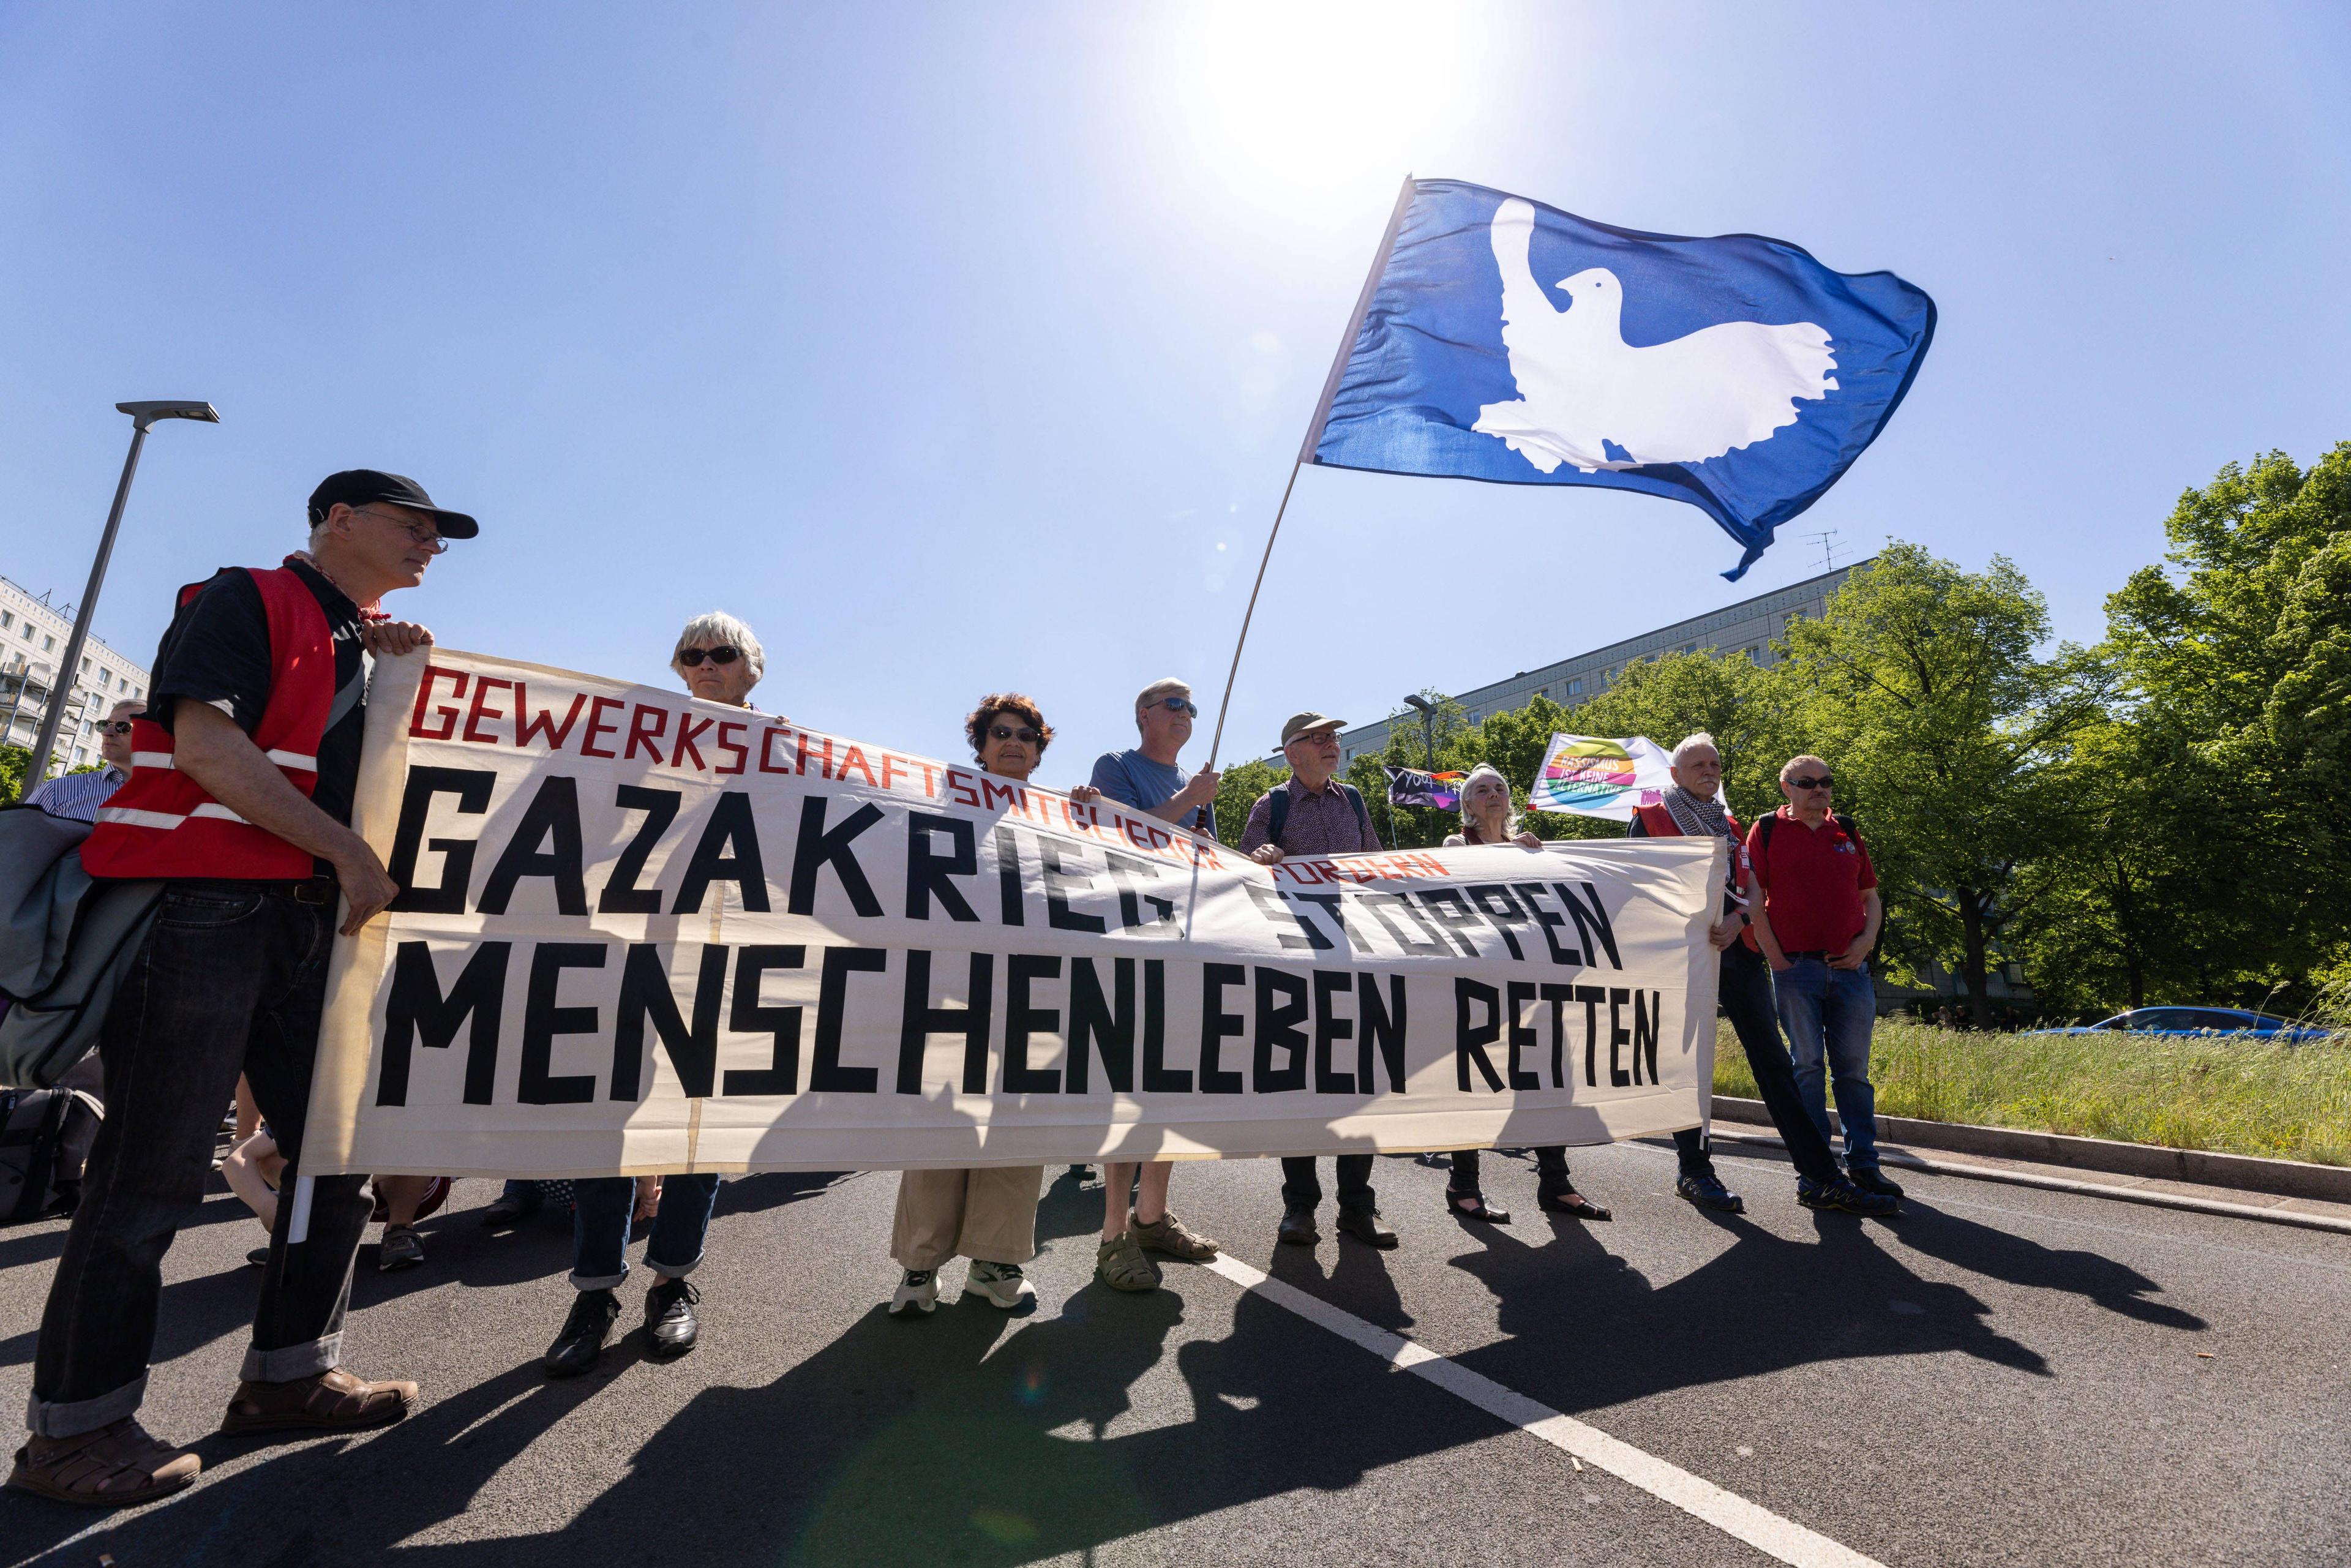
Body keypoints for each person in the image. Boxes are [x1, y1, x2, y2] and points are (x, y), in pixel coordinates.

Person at [9, 470, 468, 1508]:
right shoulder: (242, 597)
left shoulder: (369, 639)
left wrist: (395, 678)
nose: (431, 545)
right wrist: (350, 854)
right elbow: (211, 749)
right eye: (415, 526)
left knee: (340, 1154)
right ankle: (74, 1435)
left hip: (309, 925)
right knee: (149, 1175)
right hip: (202, 914)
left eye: (440, 536)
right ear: (338, 520)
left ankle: (290, 1375)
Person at [542, 612, 768, 1376]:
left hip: (726, 966)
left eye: (721, 652)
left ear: (751, 670)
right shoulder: (634, 740)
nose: (704, 663)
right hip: (630, 956)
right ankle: (595, 1291)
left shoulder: (785, 756)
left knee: (696, 1132)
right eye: (690, 654)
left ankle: (672, 1280)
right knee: (609, 1126)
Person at [889, 694, 1106, 1313]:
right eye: (999, 732)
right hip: (952, 991)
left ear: (1040, 750)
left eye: (1027, 735)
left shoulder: (1063, 816)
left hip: (1036, 996)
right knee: (941, 1127)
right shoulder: (941, 800)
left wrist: (1096, 822)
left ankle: (994, 1261)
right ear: (980, 744)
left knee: (1016, 1131)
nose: (1013, 741)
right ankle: (918, 1268)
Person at [1629, 736, 1897, 1218]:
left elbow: (1749, 888)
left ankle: (1820, 1178)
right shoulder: (1649, 819)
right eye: (1697, 765)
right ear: (1675, 775)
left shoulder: (1729, 825)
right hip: (1678, 960)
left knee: (1776, 1063)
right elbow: (1633, 891)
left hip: (1735, 953)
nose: (1709, 771)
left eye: (1714, 763)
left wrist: (1738, 921)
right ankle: (1695, 1170)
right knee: (1687, 1066)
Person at [1239, 711, 1399, 1250]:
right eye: (1320, 738)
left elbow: (1378, 866)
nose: (1333, 744)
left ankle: (1358, 1207)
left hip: (1357, 960)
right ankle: (1299, 1206)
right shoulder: (1273, 805)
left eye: (1334, 736)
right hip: (1299, 967)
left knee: (1361, 1085)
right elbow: (1242, 872)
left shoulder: (1352, 799)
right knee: (1302, 1087)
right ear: (1293, 752)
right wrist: (1263, 858)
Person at [1084, 678, 1224, 1291]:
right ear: (1144, 714)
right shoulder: (1116, 765)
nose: (1187, 714)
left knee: (1172, 1088)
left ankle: (1153, 1216)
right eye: (1175, 704)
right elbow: (1125, 837)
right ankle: (1114, 1234)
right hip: (1135, 941)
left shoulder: (1198, 784)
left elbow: (1208, 857)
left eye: (1192, 707)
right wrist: (1190, 798)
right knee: (1131, 1089)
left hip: (1188, 944)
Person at [1433, 765, 1614, 1225]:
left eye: (1500, 788)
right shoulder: (1458, 845)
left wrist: (1536, 859)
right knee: (1474, 1081)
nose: (1492, 794)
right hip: (1478, 983)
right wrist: (1516, 856)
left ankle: (1556, 1182)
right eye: (1481, 790)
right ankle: (1464, 1185)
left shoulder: (1531, 848)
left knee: (1549, 1077)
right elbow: (1465, 884)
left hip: (1529, 986)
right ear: (1468, 804)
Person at [1747, 754, 1901, 1201]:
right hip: (1796, 971)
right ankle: (1817, 1171)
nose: (1819, 788)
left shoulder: (1847, 830)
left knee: (1853, 1072)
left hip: (1852, 971)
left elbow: (1870, 898)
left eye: (1826, 782)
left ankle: (1864, 1166)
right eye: (1807, 782)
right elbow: (1755, 897)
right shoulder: (1767, 829)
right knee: (1807, 1068)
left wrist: (1865, 944)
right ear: (1786, 788)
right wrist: (1775, 957)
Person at [21, 699, 142, 822]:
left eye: (123, 727)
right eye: (104, 724)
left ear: (153, 736)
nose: (106, 732)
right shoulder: (56, 792)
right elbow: (18, 839)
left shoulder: (162, 800)